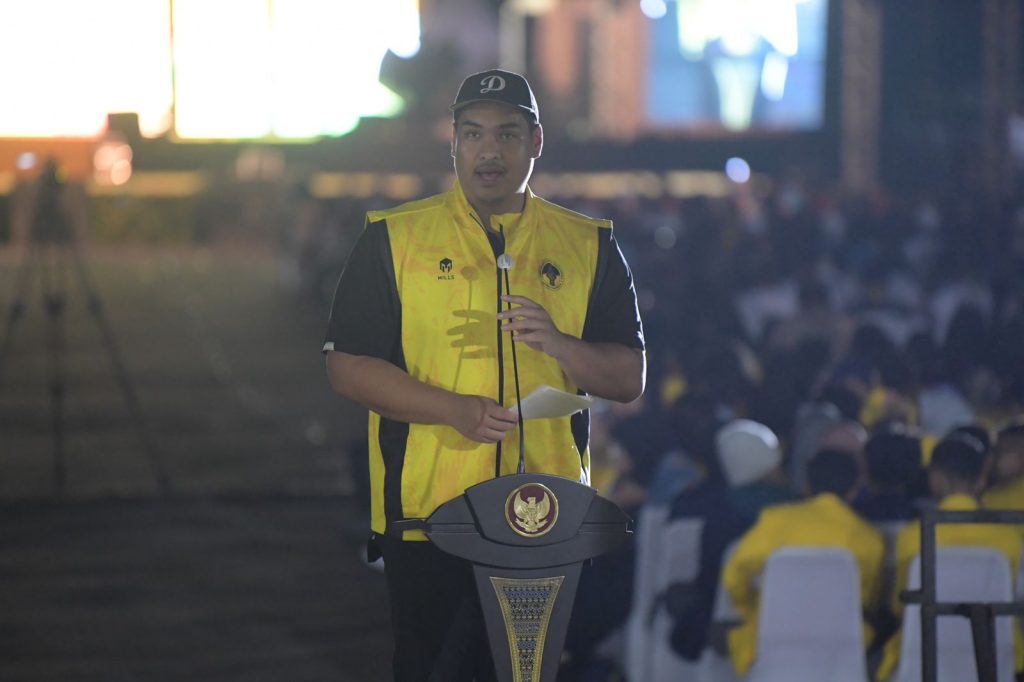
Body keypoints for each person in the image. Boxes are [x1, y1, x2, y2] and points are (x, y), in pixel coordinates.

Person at [322, 68, 646, 682]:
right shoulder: (394, 238)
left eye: (507, 134)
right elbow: (347, 368)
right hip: (427, 517)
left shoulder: (588, 245)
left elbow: (628, 378)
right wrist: (454, 410)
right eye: (473, 134)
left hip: (545, 515)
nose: (489, 151)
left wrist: (559, 343)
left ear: (536, 142)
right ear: (453, 143)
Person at [720, 448, 884, 677]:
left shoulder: (773, 521)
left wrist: (751, 609)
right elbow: (866, 600)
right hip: (840, 654)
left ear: (807, 485)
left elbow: (734, 578)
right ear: (854, 490)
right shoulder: (870, 538)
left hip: (767, 646)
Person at [876, 432, 1023, 680]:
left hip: (921, 659)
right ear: (982, 478)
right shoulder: (1009, 538)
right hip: (998, 661)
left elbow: (900, 607)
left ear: (935, 477)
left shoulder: (911, 537)